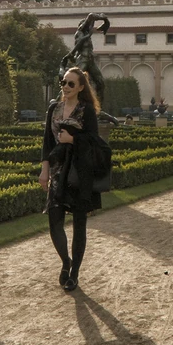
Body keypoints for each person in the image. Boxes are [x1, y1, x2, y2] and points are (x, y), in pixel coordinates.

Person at [41, 68, 109, 292]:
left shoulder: (86, 110)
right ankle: (65, 262)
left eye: (71, 84)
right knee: (54, 221)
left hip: (79, 173)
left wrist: (72, 139)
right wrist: (44, 170)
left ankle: (75, 274)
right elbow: (47, 144)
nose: (66, 87)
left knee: (79, 224)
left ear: (81, 87)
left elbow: (94, 140)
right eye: (63, 82)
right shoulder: (54, 108)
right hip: (58, 173)